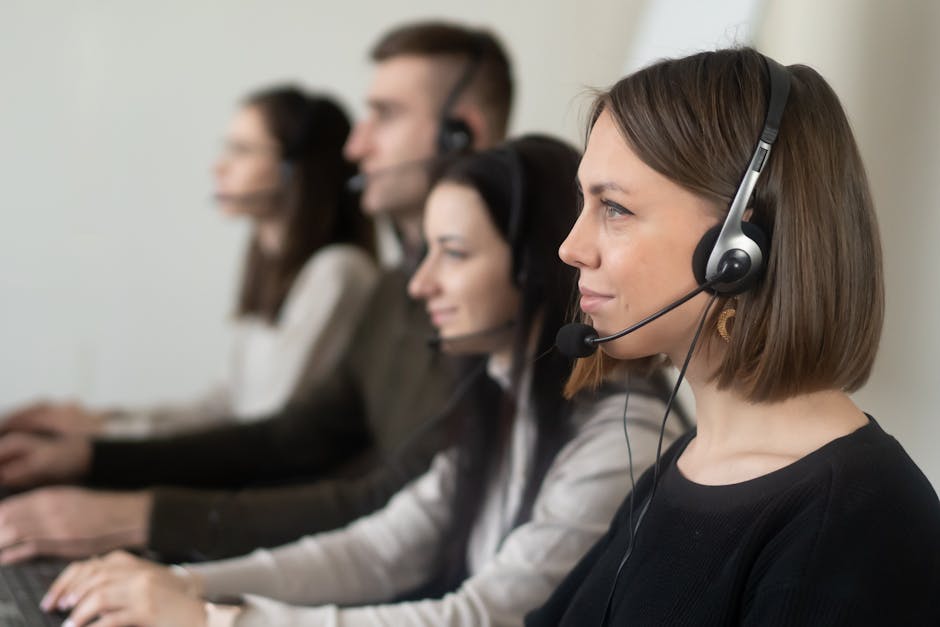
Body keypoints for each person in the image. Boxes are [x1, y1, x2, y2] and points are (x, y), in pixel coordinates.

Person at [41, 135, 679, 627]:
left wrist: (215, 617)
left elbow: (486, 617)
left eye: (453, 254)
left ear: (537, 268)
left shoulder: (618, 435)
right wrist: (188, 584)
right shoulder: (503, 401)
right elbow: (378, 549)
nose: (420, 283)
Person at [0, 21, 514, 565]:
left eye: (384, 116)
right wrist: (92, 458)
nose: (355, 145)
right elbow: (288, 436)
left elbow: (395, 507)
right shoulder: (393, 290)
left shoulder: (492, 308)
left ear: (462, 134)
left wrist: (138, 515)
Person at [525, 48, 940, 626]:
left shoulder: (859, 524)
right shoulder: (688, 465)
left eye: (615, 208)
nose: (571, 247)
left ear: (737, 251)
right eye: (584, 202)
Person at [3, 86, 377, 439]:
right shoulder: (271, 267)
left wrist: (104, 439)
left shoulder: (339, 272)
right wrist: (102, 423)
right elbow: (227, 404)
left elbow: (263, 427)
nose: (219, 167)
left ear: (294, 169)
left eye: (242, 150)